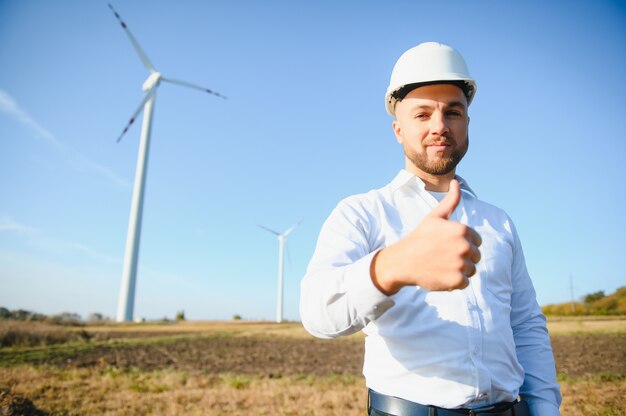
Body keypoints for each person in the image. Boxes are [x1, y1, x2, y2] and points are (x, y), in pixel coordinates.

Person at [299, 42, 561, 416]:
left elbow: (525, 323)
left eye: (453, 112)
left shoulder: (498, 221)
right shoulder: (362, 213)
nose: (439, 126)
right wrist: (393, 266)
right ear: (397, 129)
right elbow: (317, 313)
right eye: (422, 114)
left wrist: (546, 406)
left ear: (467, 123)